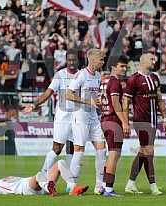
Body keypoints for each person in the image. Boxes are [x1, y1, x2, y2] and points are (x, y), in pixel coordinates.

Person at [22, 48, 80, 172]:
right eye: (69, 60)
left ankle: (70, 184)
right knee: (57, 149)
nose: (71, 62)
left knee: (73, 149)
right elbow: (48, 92)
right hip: (62, 117)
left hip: (76, 118)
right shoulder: (60, 75)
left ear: (78, 61)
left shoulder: (82, 75)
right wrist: (33, 105)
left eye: (74, 60)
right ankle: (42, 177)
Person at [123, 51, 166, 195]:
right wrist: (125, 122)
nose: (154, 61)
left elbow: (159, 100)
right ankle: (153, 186)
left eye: (154, 59)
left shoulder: (155, 78)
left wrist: (165, 118)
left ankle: (130, 183)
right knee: (149, 150)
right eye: (151, 59)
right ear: (142, 61)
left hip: (153, 120)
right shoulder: (134, 79)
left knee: (143, 151)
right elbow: (126, 102)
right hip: (140, 120)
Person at [66, 48, 107, 195]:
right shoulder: (81, 75)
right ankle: (71, 186)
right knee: (79, 151)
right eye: (101, 59)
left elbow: (94, 99)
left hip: (93, 117)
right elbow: (68, 95)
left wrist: (100, 109)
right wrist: (86, 101)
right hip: (80, 117)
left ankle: (99, 186)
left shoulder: (98, 76)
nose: (103, 62)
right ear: (93, 59)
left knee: (102, 149)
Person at [99, 55, 130, 197]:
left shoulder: (104, 81)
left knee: (113, 154)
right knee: (114, 153)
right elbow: (116, 103)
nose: (124, 68)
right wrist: (124, 121)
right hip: (113, 119)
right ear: (113, 67)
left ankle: (104, 186)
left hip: (105, 118)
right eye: (121, 66)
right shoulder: (115, 82)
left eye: (125, 66)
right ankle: (109, 189)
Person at [0, 160, 89, 196]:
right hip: (26, 188)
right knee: (39, 175)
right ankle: (49, 188)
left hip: (35, 183)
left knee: (60, 163)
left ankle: (72, 189)